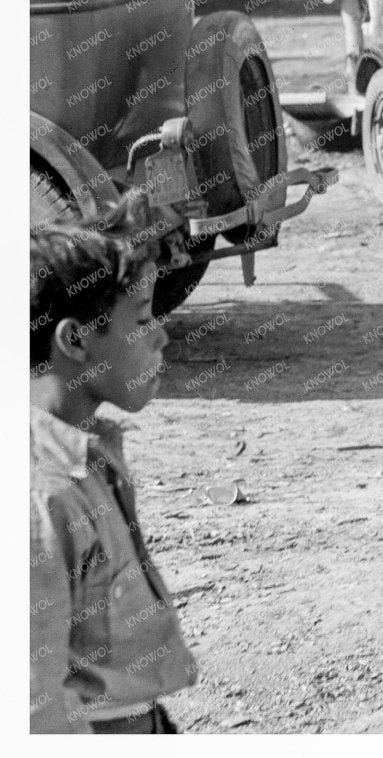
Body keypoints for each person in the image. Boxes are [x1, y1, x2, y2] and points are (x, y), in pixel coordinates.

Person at [30, 214, 196, 733]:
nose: (162, 335)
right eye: (143, 319)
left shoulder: (90, 458)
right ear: (76, 341)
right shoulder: (41, 495)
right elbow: (31, 707)